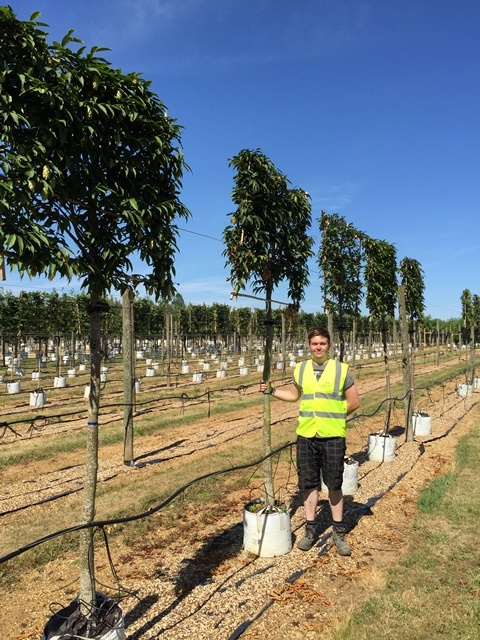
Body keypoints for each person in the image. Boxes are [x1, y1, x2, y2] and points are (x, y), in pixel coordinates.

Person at [260, 328, 360, 555]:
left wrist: (334, 416)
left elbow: (354, 403)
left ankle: (338, 531)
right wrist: (272, 390)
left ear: (329, 345)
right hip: (306, 435)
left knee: (334, 484)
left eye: (322, 343)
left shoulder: (341, 370)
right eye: (314, 343)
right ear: (309, 345)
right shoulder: (301, 368)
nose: (318, 347)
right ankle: (310, 529)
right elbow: (294, 395)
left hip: (333, 435)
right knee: (308, 484)